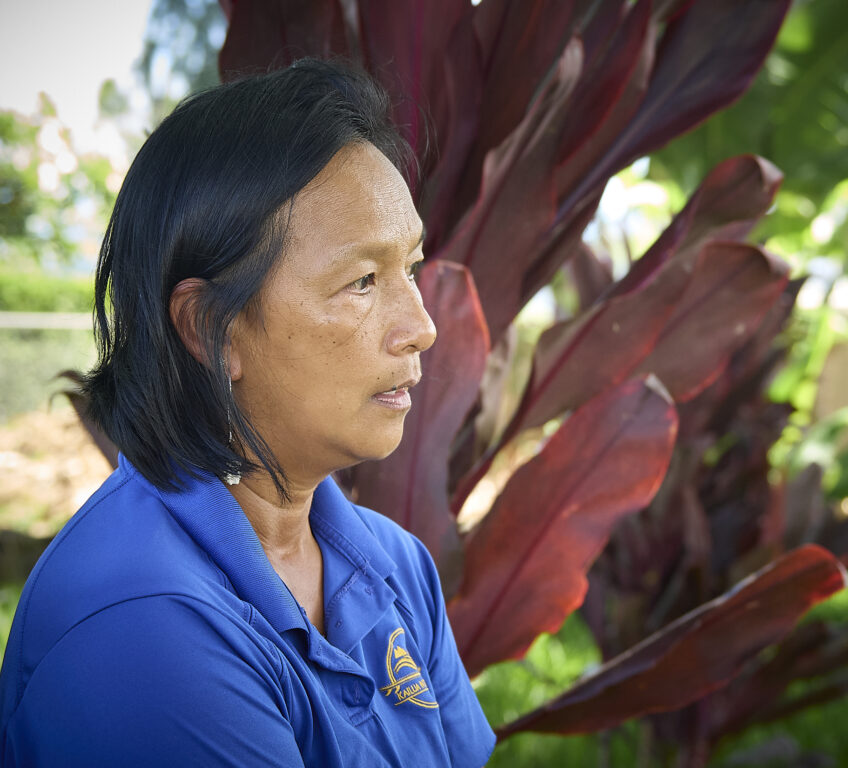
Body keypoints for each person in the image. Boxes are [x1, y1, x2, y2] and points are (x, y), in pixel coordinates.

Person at [0, 58, 495, 767]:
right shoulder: (140, 622)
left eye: (408, 270)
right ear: (210, 328)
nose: (420, 327)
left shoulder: (393, 566)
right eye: (361, 281)